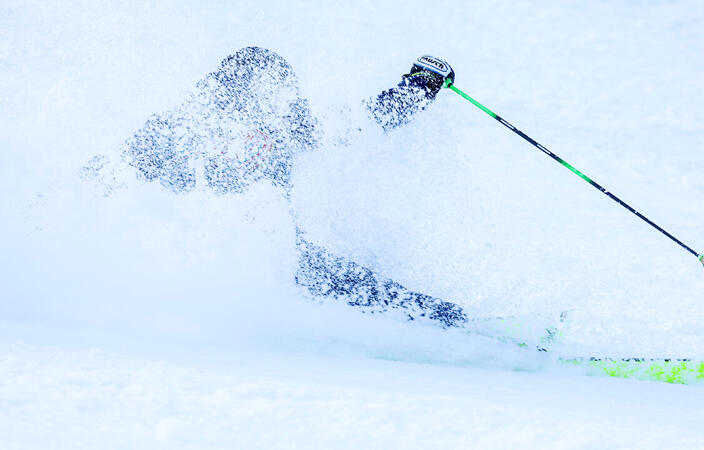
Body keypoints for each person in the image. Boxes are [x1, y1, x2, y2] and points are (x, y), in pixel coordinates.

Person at [123, 47, 466, 327]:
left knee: (350, 277)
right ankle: (437, 322)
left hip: (281, 258)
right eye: (267, 93)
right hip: (203, 264)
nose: (277, 104)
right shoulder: (180, 129)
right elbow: (119, 172)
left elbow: (366, 119)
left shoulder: (289, 129)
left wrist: (419, 86)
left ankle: (443, 323)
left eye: (282, 96)